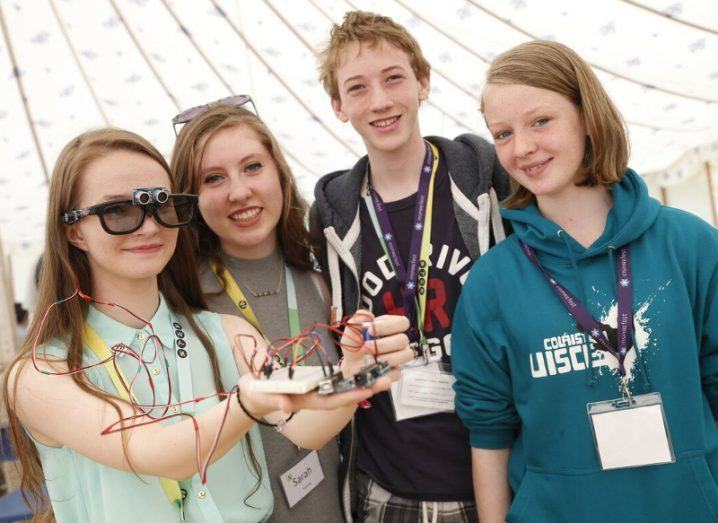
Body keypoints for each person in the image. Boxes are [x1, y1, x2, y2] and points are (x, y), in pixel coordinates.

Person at [3, 129, 411, 522]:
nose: (148, 226)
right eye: (118, 211)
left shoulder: (227, 333)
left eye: (160, 205)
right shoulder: (42, 373)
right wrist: (246, 404)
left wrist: (353, 373)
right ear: (73, 231)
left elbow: (306, 428)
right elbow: (154, 452)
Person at [451, 40, 718, 523]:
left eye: (540, 121)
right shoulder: (492, 282)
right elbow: (489, 433)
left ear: (586, 116)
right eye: (503, 133)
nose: (523, 147)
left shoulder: (691, 246)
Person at [310, 11, 509, 523]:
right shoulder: (332, 218)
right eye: (357, 88)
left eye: (394, 77)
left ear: (423, 82)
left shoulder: (485, 184)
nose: (379, 101)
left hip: (498, 472)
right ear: (338, 106)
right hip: (384, 486)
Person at [171, 100, 403, 522]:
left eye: (252, 167)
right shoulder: (186, 305)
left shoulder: (321, 276)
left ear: (279, 171)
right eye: (213, 178)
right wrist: (361, 376)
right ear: (192, 198)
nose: (239, 191)